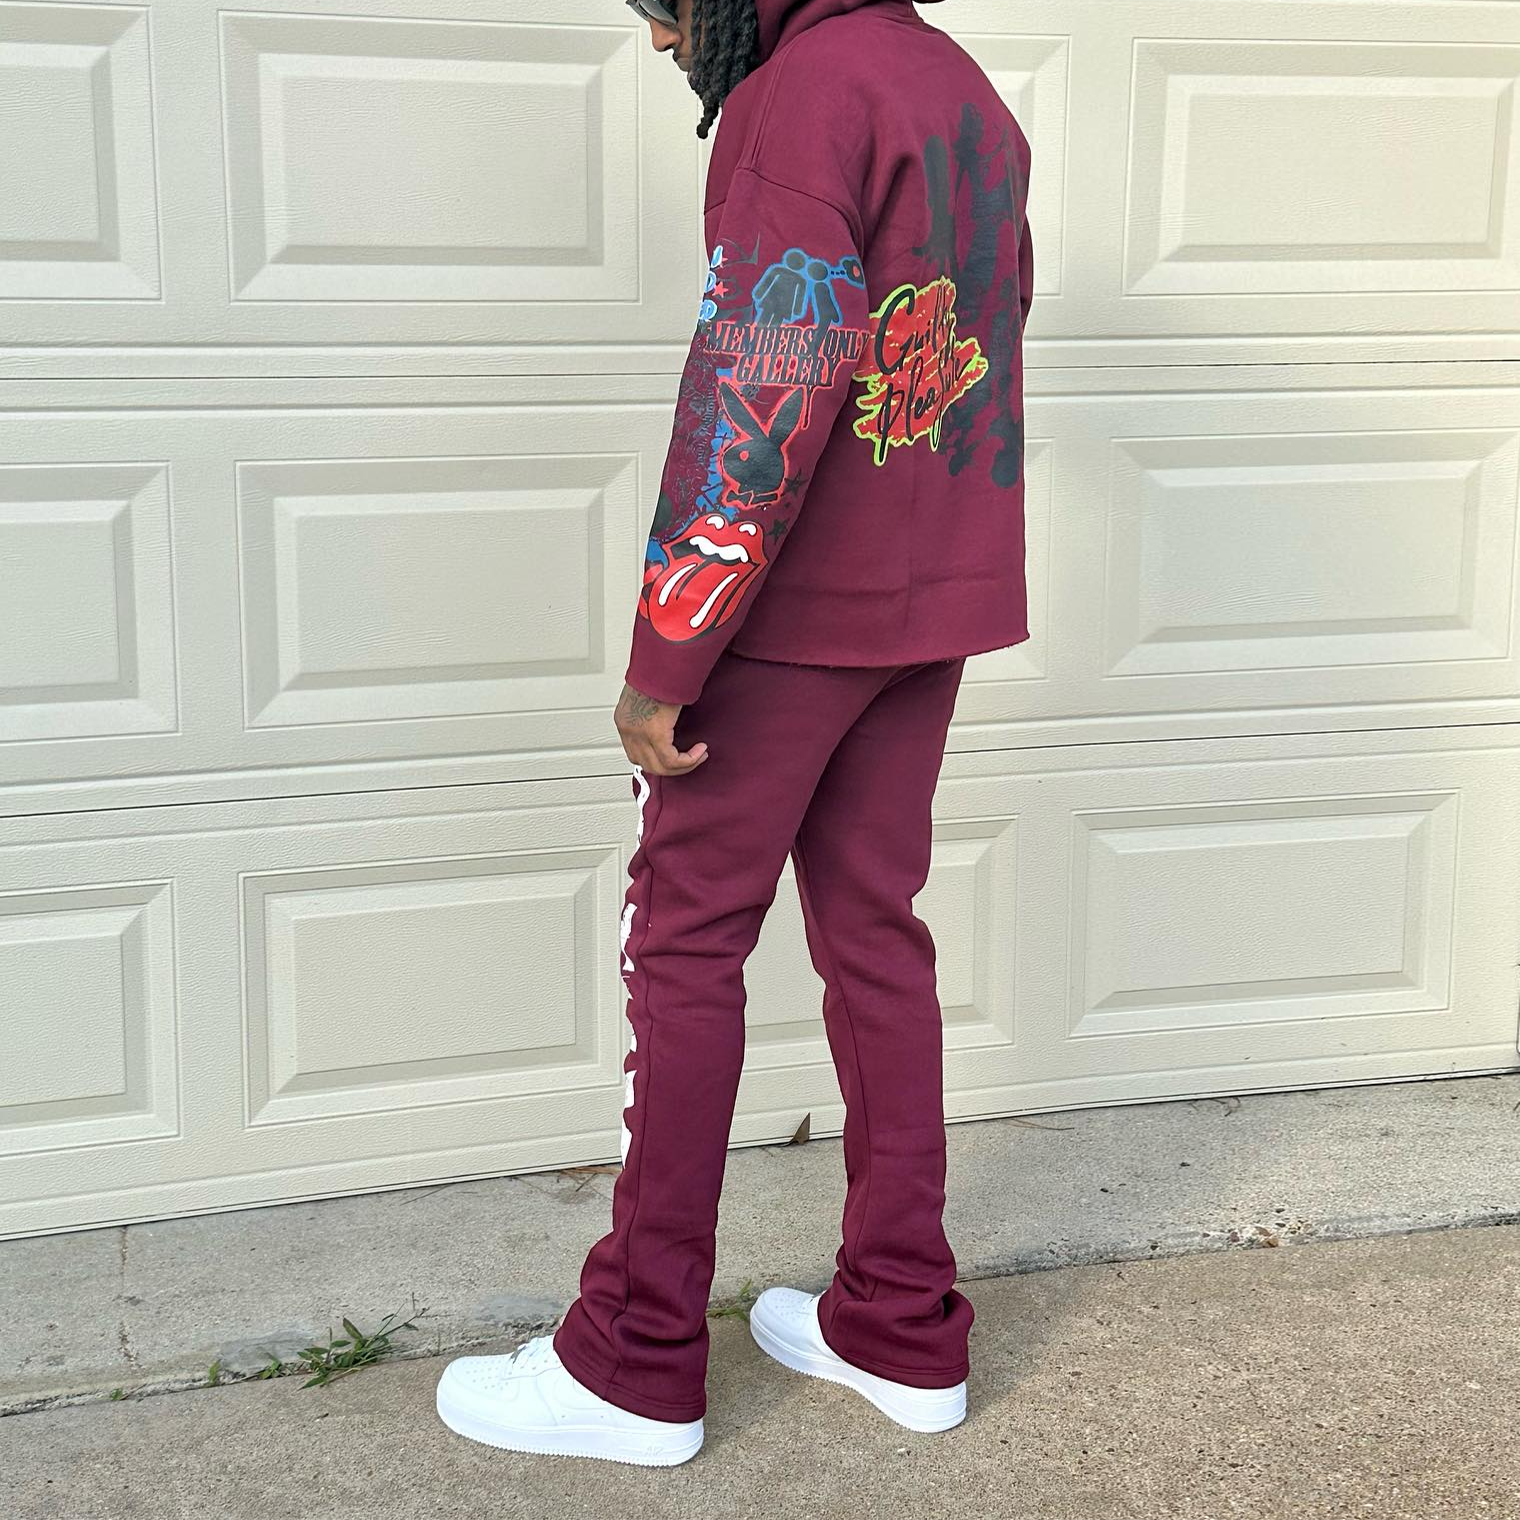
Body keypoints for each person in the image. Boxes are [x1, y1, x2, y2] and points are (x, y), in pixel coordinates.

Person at [435, 0, 1033, 1467]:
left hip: (788, 617)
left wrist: (667, 654)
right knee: (876, 936)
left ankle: (633, 1359)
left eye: (663, 5)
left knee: (685, 942)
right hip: (929, 598)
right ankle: (900, 1321)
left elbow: (758, 391)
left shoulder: (801, 96)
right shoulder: (957, 84)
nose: (659, 42)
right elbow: (985, 330)